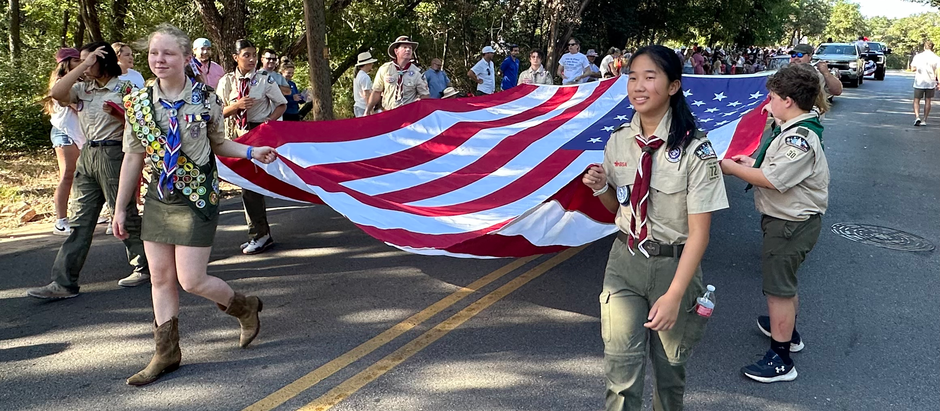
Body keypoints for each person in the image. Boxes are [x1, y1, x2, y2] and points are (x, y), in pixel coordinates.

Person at [113, 24, 276, 386]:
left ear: (186, 58)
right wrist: (121, 207)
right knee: (160, 277)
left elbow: (219, 143)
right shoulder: (137, 103)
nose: (159, 60)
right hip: (159, 194)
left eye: (168, 53)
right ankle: (166, 353)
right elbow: (131, 158)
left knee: (191, 279)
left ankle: (244, 306)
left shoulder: (205, 98)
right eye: (154, 53)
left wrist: (251, 151)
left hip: (197, 194)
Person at [582, 45, 728, 411]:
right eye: (633, 77)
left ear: (673, 86)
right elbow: (619, 206)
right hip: (625, 262)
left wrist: (676, 295)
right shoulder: (618, 140)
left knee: (669, 376)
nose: (638, 86)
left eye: (650, 77)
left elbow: (700, 234)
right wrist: (601, 188)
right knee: (620, 375)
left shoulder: (696, 150)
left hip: (673, 267)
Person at [719, 63, 829, 383]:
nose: (767, 103)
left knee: (778, 290)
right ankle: (788, 330)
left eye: (772, 97)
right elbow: (776, 168)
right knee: (785, 283)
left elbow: (771, 178)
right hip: (790, 221)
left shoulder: (800, 139)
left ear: (788, 101)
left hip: (790, 224)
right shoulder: (794, 131)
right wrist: (750, 162)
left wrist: (732, 168)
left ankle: (781, 358)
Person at [27, 42, 150, 299]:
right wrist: (83, 64)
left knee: (125, 213)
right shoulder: (82, 88)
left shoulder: (126, 87)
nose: (84, 67)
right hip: (89, 154)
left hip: (116, 153)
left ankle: (145, 266)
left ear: (104, 61)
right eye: (82, 61)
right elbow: (57, 92)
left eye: (90, 60)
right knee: (80, 221)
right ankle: (63, 282)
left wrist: (119, 117)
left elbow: (143, 125)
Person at [217, 39, 288, 255]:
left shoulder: (264, 80)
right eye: (246, 55)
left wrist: (268, 122)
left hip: (257, 134)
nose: (251, 59)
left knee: (251, 187)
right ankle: (258, 232)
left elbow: (281, 103)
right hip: (235, 135)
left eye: (254, 55)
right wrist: (236, 106)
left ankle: (260, 235)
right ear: (235, 57)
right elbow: (216, 113)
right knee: (245, 185)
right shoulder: (226, 81)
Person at [43, 48, 86, 236]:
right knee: (68, 175)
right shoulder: (63, 84)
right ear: (66, 64)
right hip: (64, 133)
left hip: (79, 134)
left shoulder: (80, 82)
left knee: (82, 175)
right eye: (77, 61)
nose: (81, 64)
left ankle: (80, 213)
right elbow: (78, 107)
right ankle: (60, 221)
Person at [365, 36, 430, 115]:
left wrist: (417, 103)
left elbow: (425, 95)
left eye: (410, 48)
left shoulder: (417, 72)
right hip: (388, 113)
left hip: (409, 115)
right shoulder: (385, 69)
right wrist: (368, 110)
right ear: (396, 51)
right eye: (404, 47)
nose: (408, 50)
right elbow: (377, 92)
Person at [911, 40, 940, 126]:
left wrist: (919, 68)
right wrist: (939, 82)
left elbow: (912, 68)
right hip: (930, 82)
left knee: (916, 100)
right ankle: (924, 120)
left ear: (924, 47)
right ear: (932, 47)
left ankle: (917, 117)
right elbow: (938, 71)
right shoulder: (936, 58)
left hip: (919, 82)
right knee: (928, 100)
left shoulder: (918, 56)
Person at [353, 51, 377, 117]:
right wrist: (370, 110)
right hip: (363, 107)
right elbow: (366, 95)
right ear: (367, 64)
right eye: (371, 63)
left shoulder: (358, 75)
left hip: (358, 106)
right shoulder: (365, 77)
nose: (372, 64)